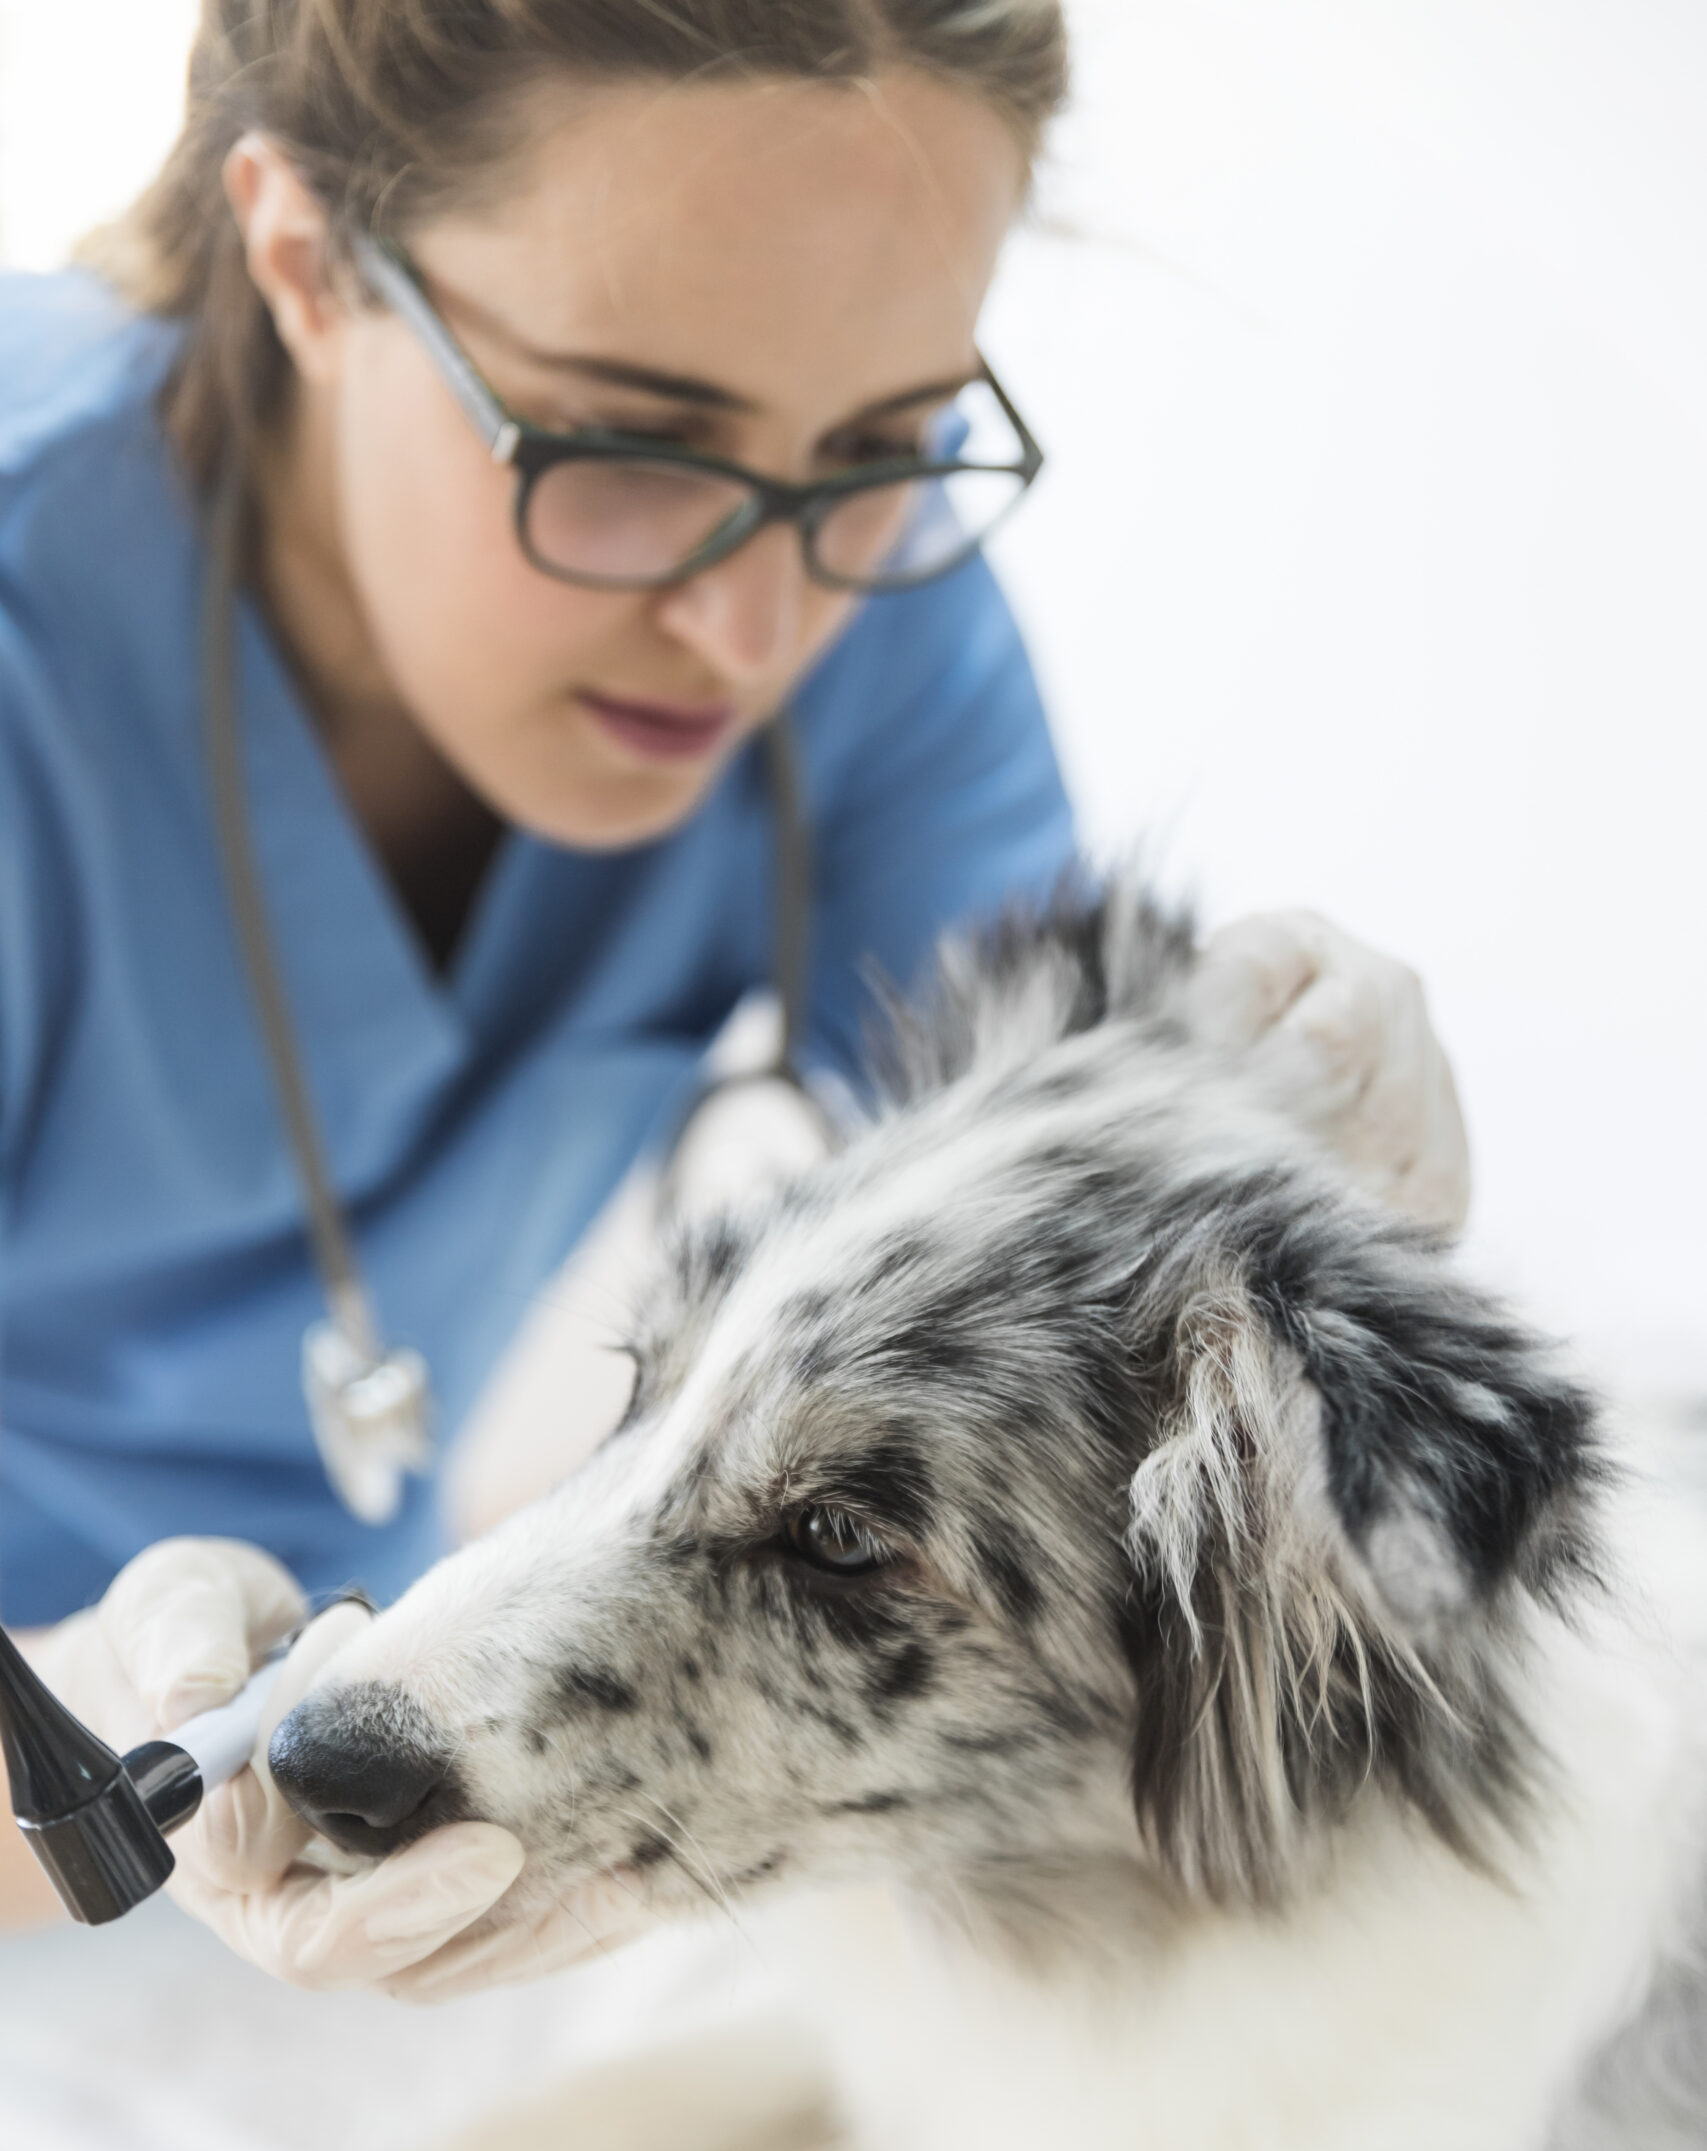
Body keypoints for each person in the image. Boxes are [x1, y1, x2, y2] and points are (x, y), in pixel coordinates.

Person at [0, 0, 1468, 1980]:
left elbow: (1065, 1282)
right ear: (305, 259)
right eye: (629, 442)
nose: (754, 628)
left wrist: (1304, 1185)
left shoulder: (878, 633)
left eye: (879, 445)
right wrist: (77, 1744)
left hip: (369, 1716)